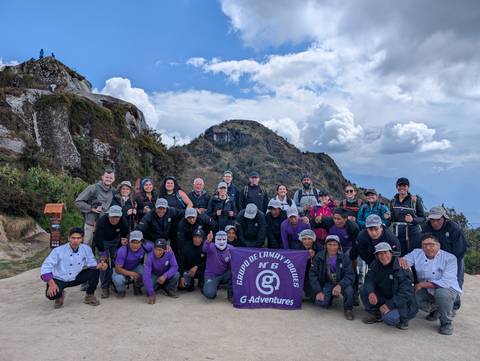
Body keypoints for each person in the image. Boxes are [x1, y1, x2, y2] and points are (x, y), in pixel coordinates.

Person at [399, 234, 462, 335]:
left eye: (431, 244)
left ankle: (446, 323)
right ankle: (437, 309)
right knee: (411, 296)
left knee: (441, 294)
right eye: (424, 245)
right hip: (427, 290)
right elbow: (404, 261)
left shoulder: (450, 258)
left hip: (447, 289)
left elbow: (445, 282)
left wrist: (422, 285)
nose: (428, 247)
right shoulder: (417, 253)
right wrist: (401, 260)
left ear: (438, 245)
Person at [40, 227, 108, 308]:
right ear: (69, 238)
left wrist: (102, 265)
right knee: (51, 295)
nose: (76, 241)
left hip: (75, 277)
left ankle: (89, 295)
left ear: (82, 239)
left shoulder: (86, 248)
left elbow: (92, 264)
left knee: (95, 271)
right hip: (59, 279)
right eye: (73, 238)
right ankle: (59, 295)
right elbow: (46, 266)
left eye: (78, 238)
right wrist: (51, 284)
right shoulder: (58, 251)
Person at [362, 242, 418, 330]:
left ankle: (404, 319)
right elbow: (369, 279)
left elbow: (406, 292)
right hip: (385, 295)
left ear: (391, 253)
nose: (383, 256)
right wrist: (371, 292)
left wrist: (389, 305)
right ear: (376, 255)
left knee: (389, 319)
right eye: (380, 253)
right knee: (364, 290)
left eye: (385, 252)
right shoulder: (375, 264)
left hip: (402, 301)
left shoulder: (401, 267)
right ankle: (376, 313)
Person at [421, 206, 468, 310]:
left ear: (444, 218)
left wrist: (450, 264)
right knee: (437, 280)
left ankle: (454, 305)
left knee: (455, 280)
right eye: (432, 220)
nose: (435, 223)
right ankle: (437, 305)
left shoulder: (454, 228)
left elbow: (460, 249)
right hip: (436, 258)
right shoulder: (426, 228)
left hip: (456, 257)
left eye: (438, 220)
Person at [310, 234, 355, 320]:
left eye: (334, 245)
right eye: (329, 244)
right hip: (328, 282)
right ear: (325, 246)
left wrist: (340, 285)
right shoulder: (319, 256)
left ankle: (348, 309)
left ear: (338, 246)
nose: (332, 247)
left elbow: (350, 275)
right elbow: (312, 274)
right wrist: (318, 291)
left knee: (349, 291)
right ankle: (330, 298)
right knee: (321, 302)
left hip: (342, 282)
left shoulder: (344, 257)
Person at [93, 205, 129, 298]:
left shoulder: (123, 221)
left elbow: (125, 234)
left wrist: (122, 244)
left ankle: (115, 282)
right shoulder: (101, 221)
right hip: (102, 242)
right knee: (103, 264)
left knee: (116, 261)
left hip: (115, 241)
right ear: (108, 215)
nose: (115, 219)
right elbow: (97, 238)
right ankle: (105, 287)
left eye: (117, 217)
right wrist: (102, 253)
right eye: (112, 216)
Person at [75, 168, 115, 246]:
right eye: (106, 177)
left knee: (101, 248)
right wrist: (91, 208)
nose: (108, 179)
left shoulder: (113, 191)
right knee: (87, 247)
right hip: (91, 223)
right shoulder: (93, 188)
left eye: (111, 178)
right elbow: (78, 202)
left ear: (114, 179)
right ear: (102, 177)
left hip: (103, 224)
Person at [177, 207, 216, 287]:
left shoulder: (202, 218)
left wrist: (208, 239)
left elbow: (213, 225)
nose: (191, 220)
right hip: (188, 241)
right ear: (186, 217)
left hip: (201, 238)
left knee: (203, 254)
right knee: (187, 253)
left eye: (193, 217)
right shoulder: (181, 224)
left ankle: (201, 277)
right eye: (189, 218)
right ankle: (189, 276)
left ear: (196, 216)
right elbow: (181, 241)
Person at [389, 177, 426, 256]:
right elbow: (393, 219)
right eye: (400, 185)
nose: (402, 187)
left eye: (404, 185)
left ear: (408, 187)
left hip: (412, 235)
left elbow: (423, 218)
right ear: (397, 187)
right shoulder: (393, 201)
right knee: (399, 258)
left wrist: (412, 220)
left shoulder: (414, 200)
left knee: (414, 259)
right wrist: (388, 217)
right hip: (398, 234)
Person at [112, 230, 152, 298]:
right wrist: (132, 274)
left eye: (138, 242)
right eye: (132, 242)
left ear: (142, 241)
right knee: (118, 279)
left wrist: (167, 248)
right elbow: (117, 269)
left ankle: (137, 286)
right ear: (128, 241)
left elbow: (157, 248)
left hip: (135, 266)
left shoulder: (145, 246)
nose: (135, 245)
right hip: (121, 269)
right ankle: (121, 290)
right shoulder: (122, 250)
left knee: (147, 272)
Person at [143, 239, 180, 304]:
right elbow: (146, 275)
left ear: (165, 250)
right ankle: (158, 287)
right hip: (155, 274)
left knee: (176, 274)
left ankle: (169, 289)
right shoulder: (150, 256)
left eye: (160, 250)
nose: (157, 252)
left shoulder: (169, 253)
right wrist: (151, 293)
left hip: (166, 273)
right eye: (156, 249)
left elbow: (175, 266)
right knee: (147, 290)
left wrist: (165, 275)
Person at [202, 231, 233, 301]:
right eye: (219, 239)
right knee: (209, 294)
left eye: (223, 239)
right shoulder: (211, 246)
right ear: (215, 239)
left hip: (224, 275)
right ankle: (213, 286)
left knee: (235, 272)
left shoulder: (231, 248)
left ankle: (231, 295)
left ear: (226, 239)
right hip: (211, 276)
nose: (221, 241)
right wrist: (208, 241)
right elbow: (204, 249)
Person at [297, 229, 319, 300]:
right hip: (301, 274)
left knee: (314, 297)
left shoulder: (320, 248)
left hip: (315, 275)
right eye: (304, 239)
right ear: (301, 240)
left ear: (313, 239)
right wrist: (303, 258)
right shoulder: (296, 248)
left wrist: (315, 256)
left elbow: (323, 265)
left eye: (309, 239)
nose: (307, 241)